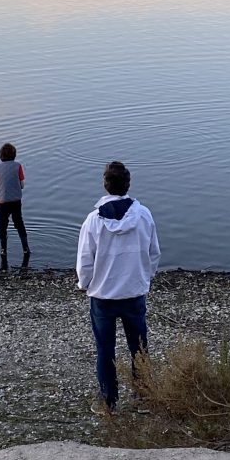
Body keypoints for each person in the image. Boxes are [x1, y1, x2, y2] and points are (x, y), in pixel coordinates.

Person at [76, 161, 160, 413]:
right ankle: (143, 397)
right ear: (127, 185)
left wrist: (85, 284)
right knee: (139, 346)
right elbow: (153, 253)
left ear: (106, 185)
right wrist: (144, 278)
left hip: (103, 296)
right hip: (134, 293)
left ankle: (108, 401)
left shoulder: (93, 221)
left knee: (105, 348)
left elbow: (85, 260)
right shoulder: (144, 215)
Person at [0, 142, 30, 261]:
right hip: (15, 200)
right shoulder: (18, 166)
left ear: (0, 155)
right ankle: (25, 248)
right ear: (14, 155)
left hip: (1, 201)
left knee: (3, 225)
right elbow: (22, 185)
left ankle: (3, 249)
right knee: (19, 222)